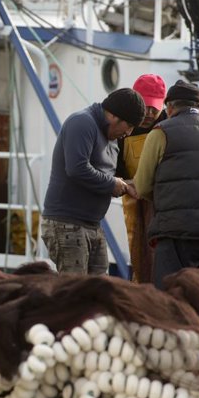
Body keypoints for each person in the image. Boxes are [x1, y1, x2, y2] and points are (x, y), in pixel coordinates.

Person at [132, 80, 199, 289]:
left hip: (178, 230)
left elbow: (143, 186)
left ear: (169, 107)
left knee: (173, 298)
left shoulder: (161, 132)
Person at [41, 88, 146, 275]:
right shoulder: (82, 122)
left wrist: (126, 184)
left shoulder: (112, 135)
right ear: (113, 116)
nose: (129, 133)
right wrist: (111, 184)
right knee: (76, 295)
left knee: (97, 293)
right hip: (67, 223)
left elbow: (104, 173)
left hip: (92, 224)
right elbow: (77, 168)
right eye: (128, 125)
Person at [116, 74, 167, 283]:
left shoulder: (168, 125)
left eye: (155, 107)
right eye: (146, 106)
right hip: (133, 204)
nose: (150, 112)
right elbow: (115, 168)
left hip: (163, 204)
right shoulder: (123, 129)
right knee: (140, 261)